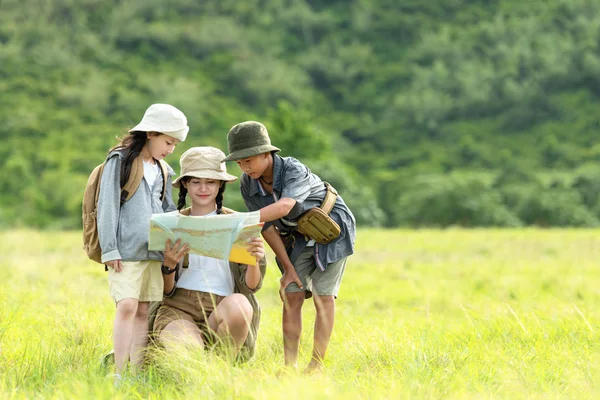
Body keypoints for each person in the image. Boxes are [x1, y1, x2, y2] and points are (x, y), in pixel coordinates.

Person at [222, 121, 356, 372]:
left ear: (266, 153)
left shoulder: (293, 168)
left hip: (332, 226)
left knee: (323, 296)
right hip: (295, 235)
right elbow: (267, 227)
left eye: (248, 159)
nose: (244, 166)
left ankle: (316, 365)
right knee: (291, 293)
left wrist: (240, 220)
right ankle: (289, 366)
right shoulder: (247, 183)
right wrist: (287, 268)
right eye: (239, 162)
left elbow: (284, 206)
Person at [97, 103, 188, 379]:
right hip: (124, 251)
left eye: (174, 144)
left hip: (154, 252)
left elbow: (167, 209)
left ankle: (135, 374)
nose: (170, 148)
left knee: (143, 310)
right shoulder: (120, 160)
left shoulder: (163, 169)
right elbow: (107, 205)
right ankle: (119, 373)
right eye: (168, 141)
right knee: (126, 305)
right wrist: (109, 247)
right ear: (150, 133)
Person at [152, 146, 267, 362]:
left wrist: (254, 260)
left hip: (223, 305)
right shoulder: (170, 223)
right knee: (188, 355)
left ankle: (221, 372)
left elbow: (251, 287)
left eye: (211, 181)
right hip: (179, 307)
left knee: (241, 305)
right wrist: (168, 265)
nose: (203, 188)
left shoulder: (239, 223)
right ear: (185, 184)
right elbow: (165, 291)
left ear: (220, 184)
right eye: (196, 181)